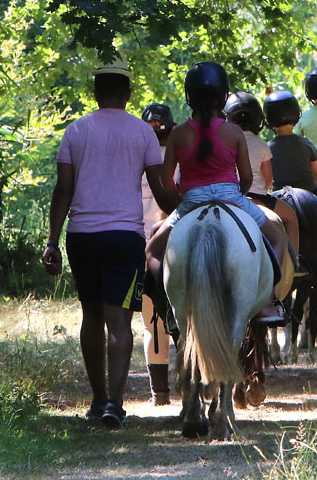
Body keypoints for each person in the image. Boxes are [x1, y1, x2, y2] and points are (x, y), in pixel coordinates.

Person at [43, 60, 174, 430]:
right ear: (128, 94)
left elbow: (63, 190)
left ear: (95, 92)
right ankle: (115, 404)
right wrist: (186, 208)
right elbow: (160, 188)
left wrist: (52, 241)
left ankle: (97, 398)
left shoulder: (76, 131)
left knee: (91, 317)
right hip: (125, 238)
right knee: (119, 322)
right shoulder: (143, 134)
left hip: (82, 236)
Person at [144, 62, 288, 323]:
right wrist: (235, 196)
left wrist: (183, 201)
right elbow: (245, 178)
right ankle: (267, 300)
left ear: (189, 97)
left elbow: (165, 180)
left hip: (191, 202)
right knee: (278, 238)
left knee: (152, 251)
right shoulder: (233, 132)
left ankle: (168, 307)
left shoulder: (179, 135)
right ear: (224, 96)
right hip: (231, 197)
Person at [224, 91, 301, 258]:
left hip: (228, 197)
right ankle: (294, 260)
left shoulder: (224, 142)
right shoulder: (261, 144)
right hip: (257, 197)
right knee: (291, 217)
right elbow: (268, 179)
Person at [139, 102, 174, 406]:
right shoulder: (178, 157)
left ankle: (159, 392)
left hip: (143, 244)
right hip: (175, 237)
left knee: (152, 321)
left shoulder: (132, 158)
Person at [263, 90, 317, 193]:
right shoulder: (306, 143)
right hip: (310, 192)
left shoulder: (266, 149)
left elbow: (266, 181)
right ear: (296, 114)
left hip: (280, 195)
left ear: (268, 119)